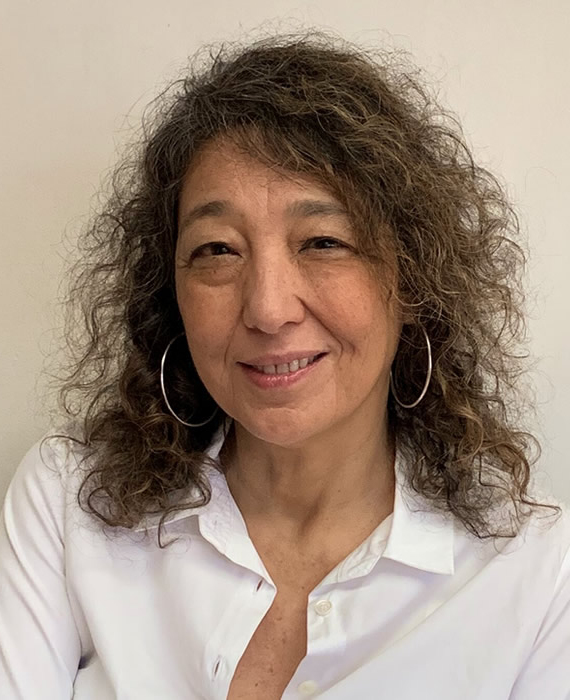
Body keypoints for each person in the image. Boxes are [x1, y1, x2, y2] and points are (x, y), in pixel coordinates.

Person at [1, 32, 569, 700]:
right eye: (218, 250)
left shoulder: (535, 573)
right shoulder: (69, 502)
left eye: (323, 242)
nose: (268, 310)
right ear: (170, 293)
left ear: (415, 278)